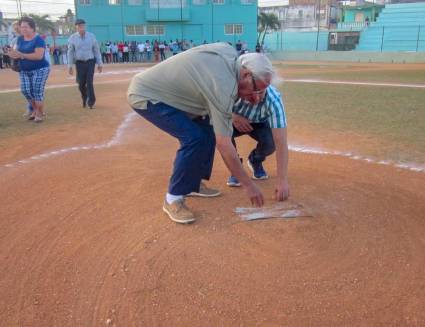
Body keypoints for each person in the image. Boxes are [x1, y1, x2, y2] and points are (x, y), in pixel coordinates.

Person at [127, 43, 273, 224]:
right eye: (256, 89)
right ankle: (173, 198)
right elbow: (224, 145)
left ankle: (192, 183)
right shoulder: (224, 88)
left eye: (261, 92)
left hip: (175, 97)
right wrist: (248, 185)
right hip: (148, 95)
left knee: (207, 129)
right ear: (245, 74)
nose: (257, 97)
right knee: (193, 138)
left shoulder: (230, 55)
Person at [226, 85, 290, 201]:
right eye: (251, 93)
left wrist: (282, 181)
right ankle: (236, 169)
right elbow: (213, 107)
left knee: (271, 142)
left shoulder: (273, 99)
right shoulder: (230, 87)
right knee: (221, 133)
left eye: (260, 92)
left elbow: (281, 141)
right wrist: (233, 116)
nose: (256, 98)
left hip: (259, 123)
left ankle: (255, 160)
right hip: (231, 120)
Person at [8, 16, 50, 122]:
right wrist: (11, 54)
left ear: (32, 28)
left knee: (37, 91)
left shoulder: (38, 40)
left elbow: (38, 56)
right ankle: (35, 109)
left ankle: (39, 114)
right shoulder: (19, 39)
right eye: (22, 27)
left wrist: (22, 55)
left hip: (40, 69)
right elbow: (16, 52)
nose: (23, 29)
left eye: (26, 27)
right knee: (25, 91)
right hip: (24, 70)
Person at [67, 19, 103, 109]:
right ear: (76, 27)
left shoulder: (91, 36)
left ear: (85, 26)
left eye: (83, 26)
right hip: (79, 63)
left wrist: (99, 63)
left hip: (90, 62)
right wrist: (70, 66)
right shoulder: (72, 38)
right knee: (81, 84)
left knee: (89, 82)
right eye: (79, 26)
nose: (81, 28)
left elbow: (96, 50)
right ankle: (84, 97)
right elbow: (70, 52)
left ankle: (91, 102)